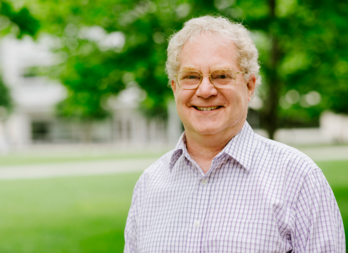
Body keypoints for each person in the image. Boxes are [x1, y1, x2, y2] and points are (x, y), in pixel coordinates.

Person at [124, 15, 345, 253]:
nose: (206, 90)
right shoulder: (149, 184)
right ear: (175, 86)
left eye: (221, 76)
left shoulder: (299, 179)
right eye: (191, 76)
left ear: (250, 86)